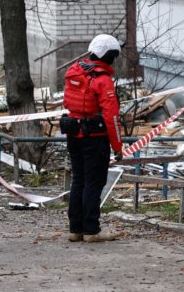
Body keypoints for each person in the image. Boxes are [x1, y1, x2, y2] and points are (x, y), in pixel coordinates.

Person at [61, 34, 124, 243]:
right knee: (93, 183)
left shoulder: (74, 72)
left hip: (73, 135)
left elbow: (69, 103)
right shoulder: (102, 80)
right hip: (94, 138)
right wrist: (118, 147)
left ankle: (75, 229)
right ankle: (91, 230)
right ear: (108, 56)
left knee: (78, 180)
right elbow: (111, 116)